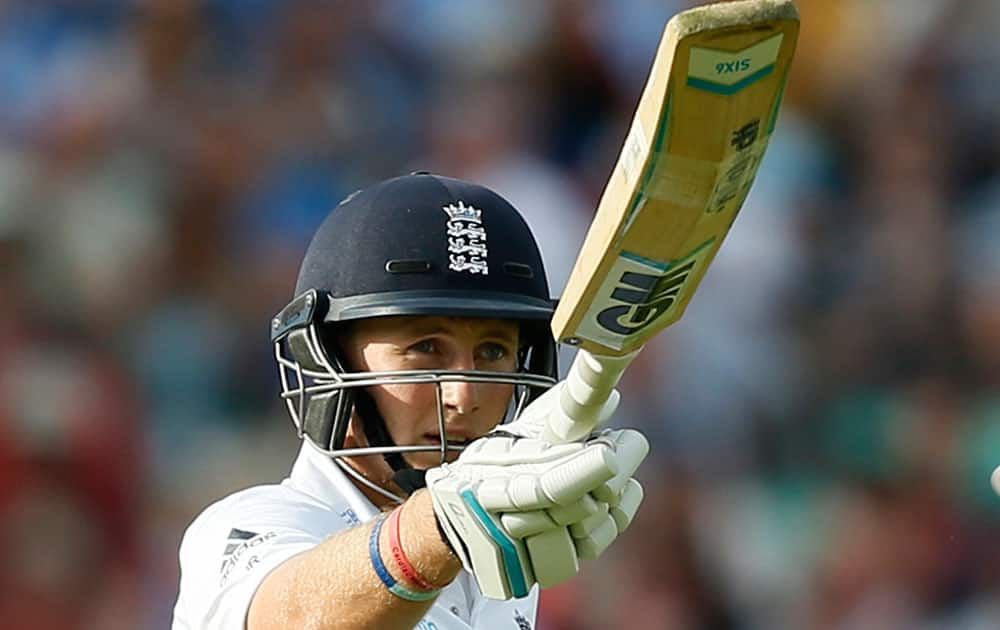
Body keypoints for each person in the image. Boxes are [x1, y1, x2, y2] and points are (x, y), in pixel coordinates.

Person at [171, 173, 648, 629]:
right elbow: (294, 618)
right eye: (425, 348)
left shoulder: (506, 571)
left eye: (493, 352)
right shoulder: (241, 528)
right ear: (325, 361)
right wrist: (438, 527)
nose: (464, 397)